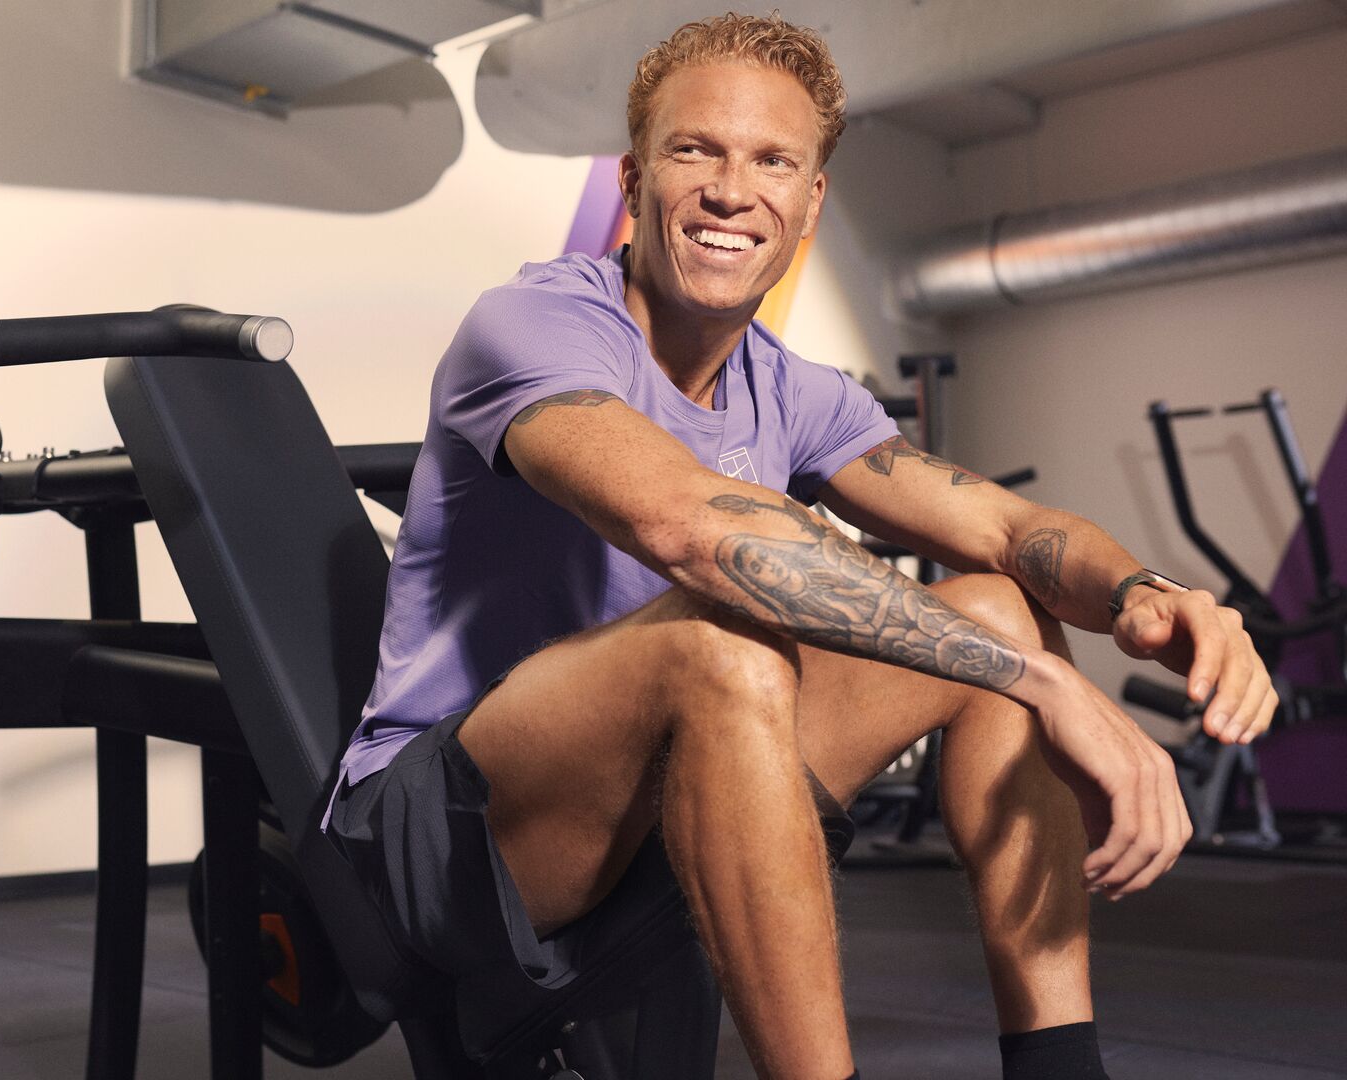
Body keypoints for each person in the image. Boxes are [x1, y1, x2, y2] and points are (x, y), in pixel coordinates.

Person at [324, 12, 1275, 1080]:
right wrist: (1057, 690)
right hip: (444, 828)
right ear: (637, 177)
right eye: (697, 151)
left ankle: (1060, 1067)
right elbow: (686, 525)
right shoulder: (537, 324)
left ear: (810, 199)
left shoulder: (792, 388)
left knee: (999, 608)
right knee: (718, 643)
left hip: (654, 796)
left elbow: (1008, 529)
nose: (734, 191)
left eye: (773, 160)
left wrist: (1149, 594)